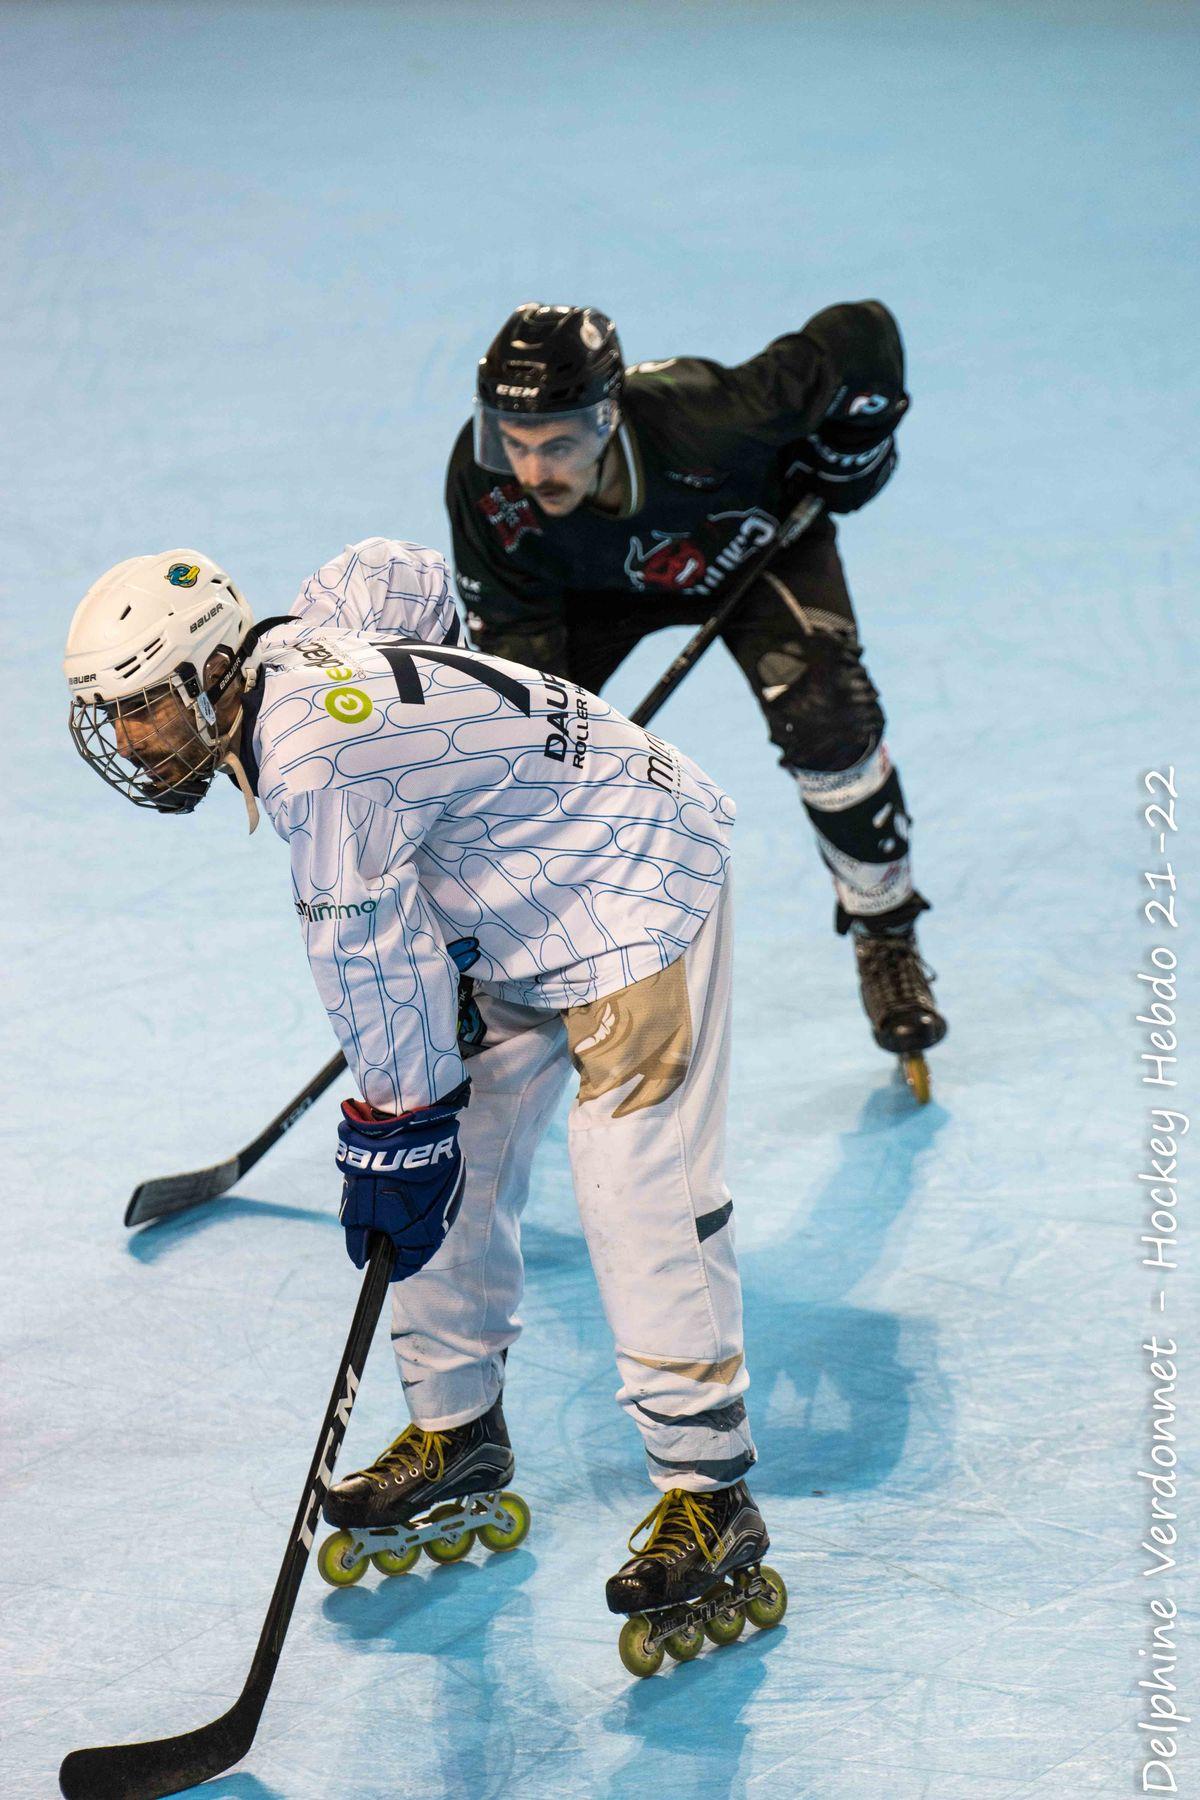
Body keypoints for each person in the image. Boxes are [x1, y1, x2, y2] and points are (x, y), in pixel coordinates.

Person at [63, 535, 787, 1675]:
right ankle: (458, 1429)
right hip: (508, 903)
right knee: (458, 1158)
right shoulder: (293, 649)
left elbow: (369, 959)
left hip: (628, 881)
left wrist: (399, 1122)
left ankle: (709, 1491)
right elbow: (395, 570)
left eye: (144, 706)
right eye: (111, 714)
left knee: (630, 1178)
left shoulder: (313, 766)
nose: (130, 738)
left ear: (214, 675)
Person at [446, 302, 948, 1096]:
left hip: (752, 553)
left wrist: (852, 457)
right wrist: (545, 754)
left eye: (558, 445)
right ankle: (511, 977)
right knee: (517, 767)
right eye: (515, 443)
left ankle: (885, 931)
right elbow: (519, 672)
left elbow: (865, 335)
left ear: (609, 418)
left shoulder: (712, 418)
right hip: (593, 595)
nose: (533, 473)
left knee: (829, 716)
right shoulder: (487, 489)